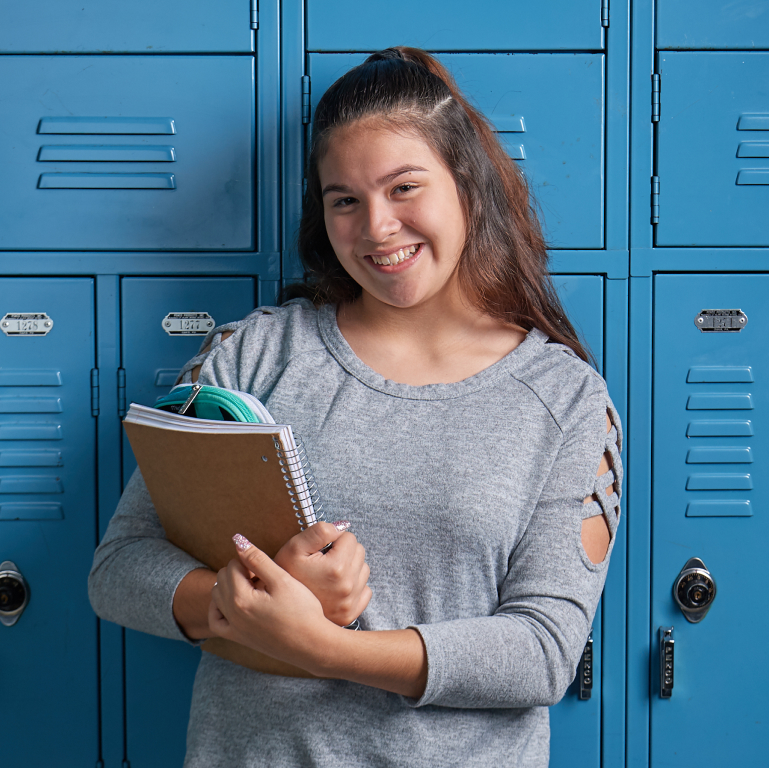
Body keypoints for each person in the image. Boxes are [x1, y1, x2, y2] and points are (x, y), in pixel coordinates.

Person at [89, 47, 622, 767]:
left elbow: (542, 652)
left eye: (404, 188)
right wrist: (238, 598)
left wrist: (324, 647)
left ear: (465, 186)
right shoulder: (253, 356)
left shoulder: (564, 398)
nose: (375, 228)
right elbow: (119, 568)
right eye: (345, 199)